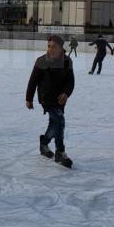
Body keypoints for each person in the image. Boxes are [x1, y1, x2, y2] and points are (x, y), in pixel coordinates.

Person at [25, 35, 75, 168]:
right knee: (59, 120)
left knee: (55, 123)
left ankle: (44, 143)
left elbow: (70, 81)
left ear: (61, 48)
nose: (51, 49)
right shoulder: (42, 61)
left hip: (60, 99)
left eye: (54, 47)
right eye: (49, 46)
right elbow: (33, 81)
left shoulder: (67, 61)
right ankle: (60, 151)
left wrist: (66, 93)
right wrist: (29, 99)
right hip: (46, 97)